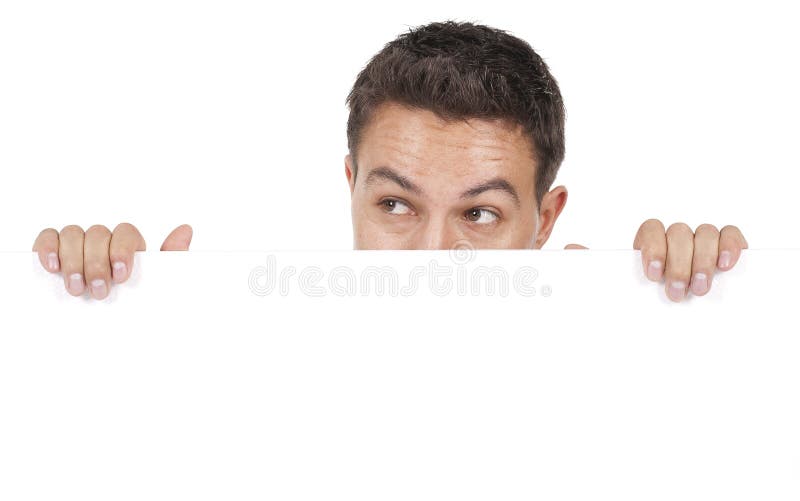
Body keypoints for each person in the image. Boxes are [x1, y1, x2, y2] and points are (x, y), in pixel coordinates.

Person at [31, 21, 747, 303]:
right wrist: (110, 329)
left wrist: (688, 324)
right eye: (396, 205)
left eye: (481, 213)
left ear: (544, 220)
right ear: (352, 189)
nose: (433, 255)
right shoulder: (248, 375)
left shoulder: (607, 376)